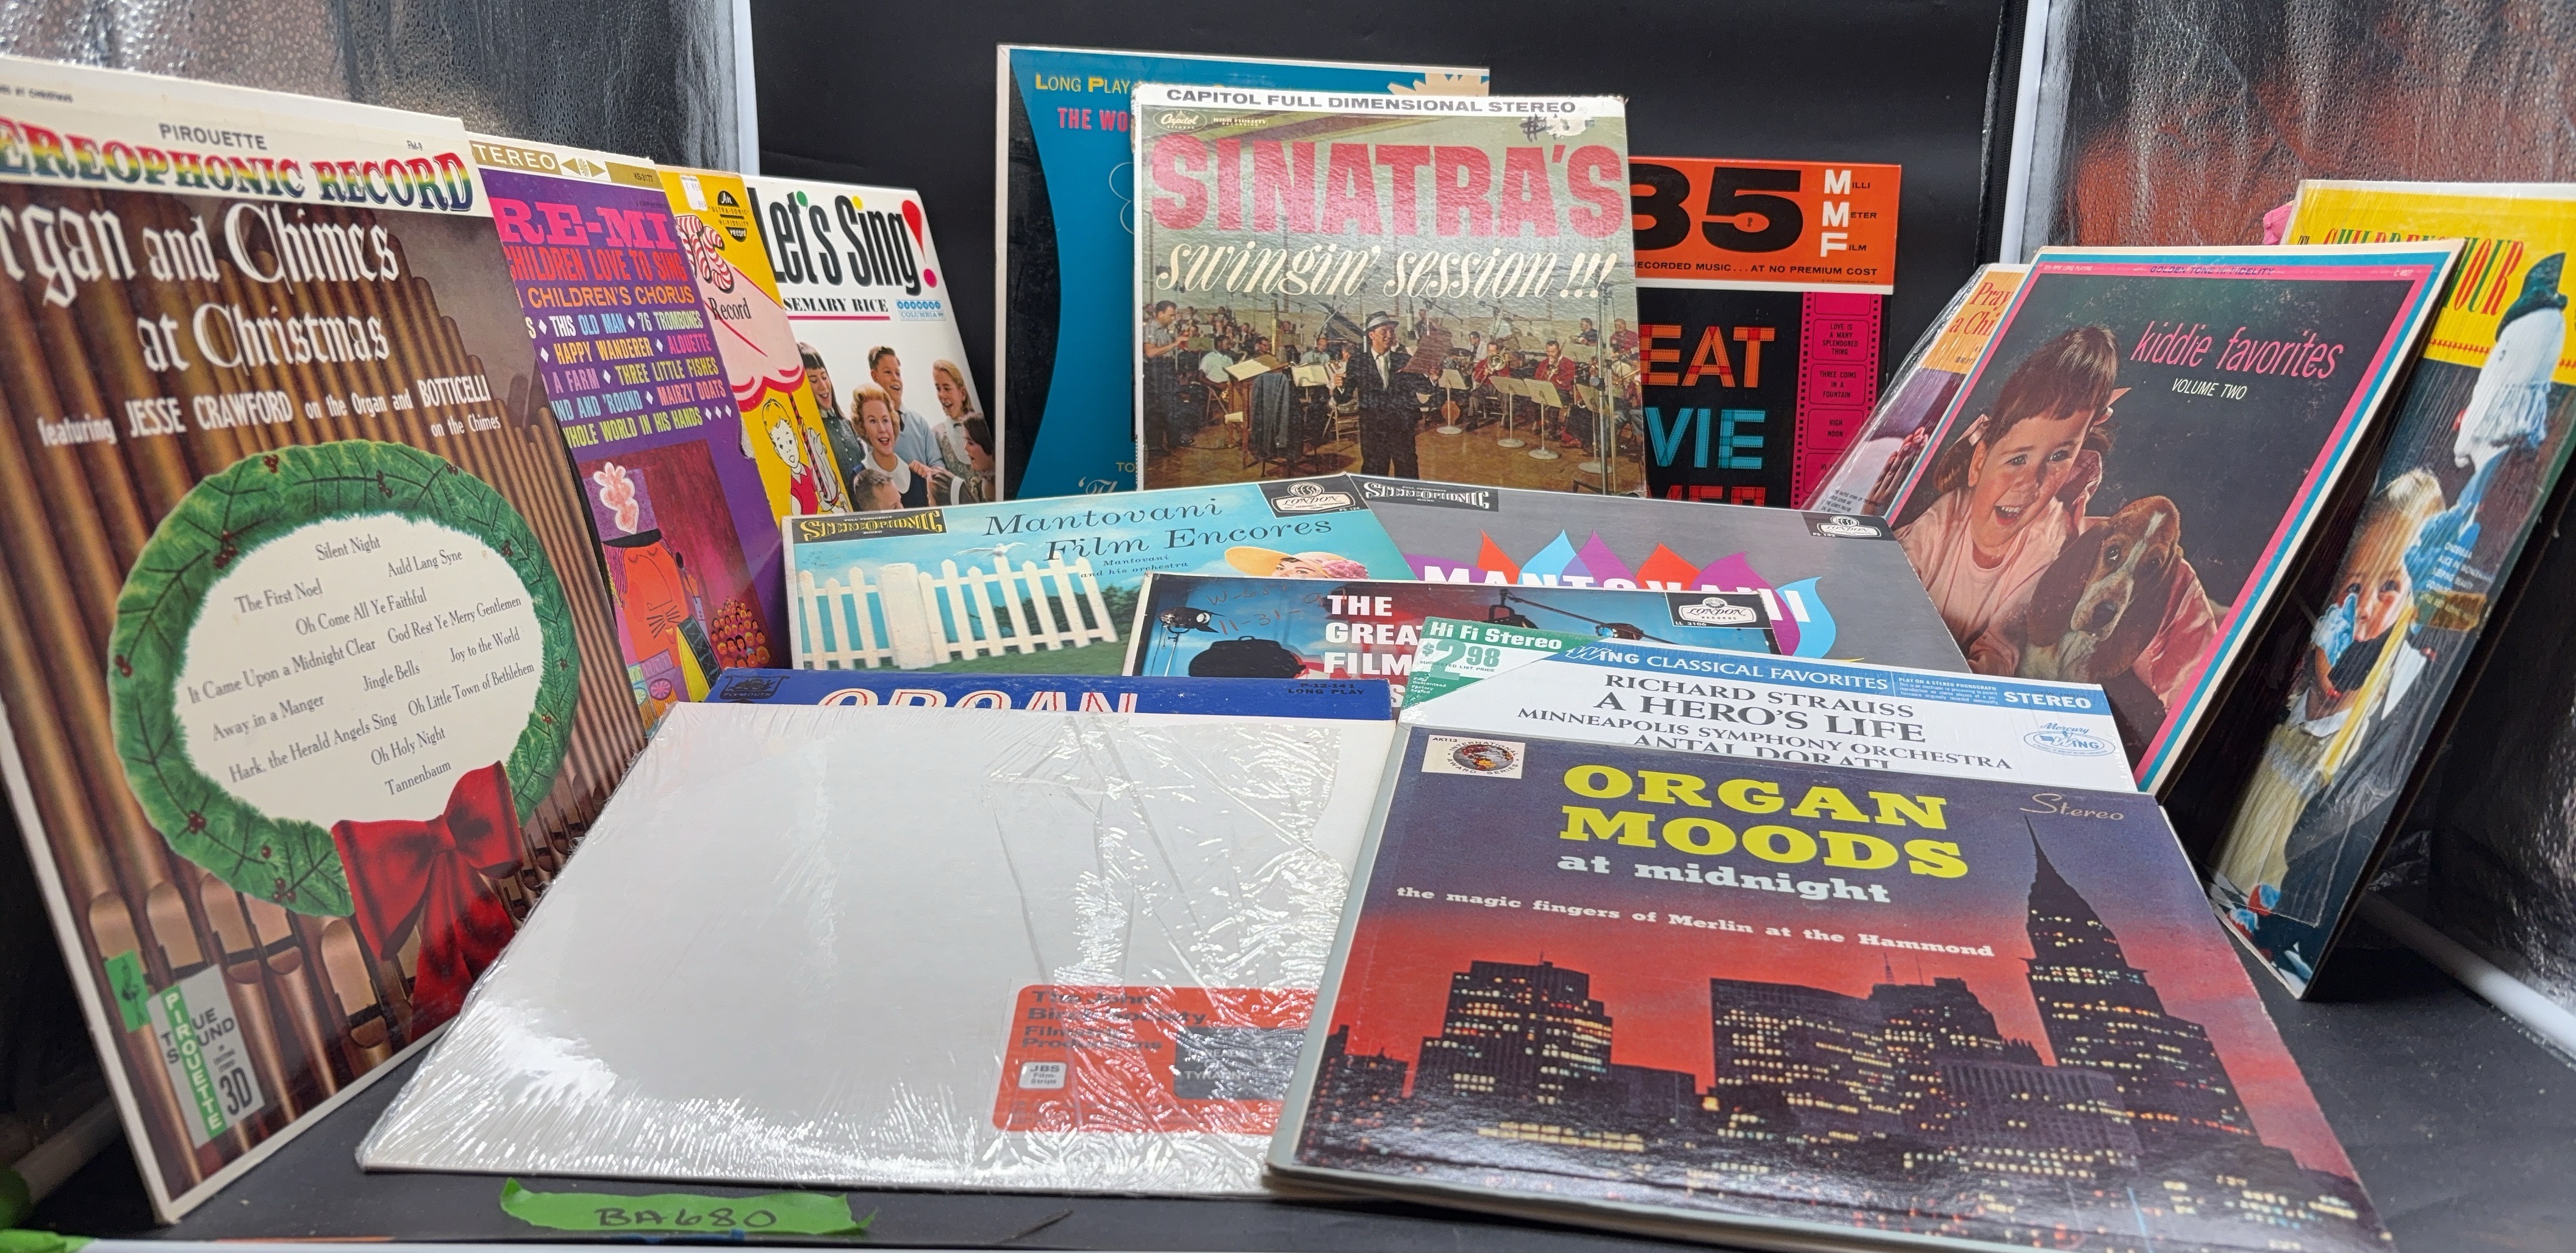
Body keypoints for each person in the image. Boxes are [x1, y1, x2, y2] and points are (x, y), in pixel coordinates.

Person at [1897, 325, 2217, 706]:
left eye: (2059, 457)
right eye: (2017, 459)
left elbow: (2000, 651)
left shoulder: (2048, 545)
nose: (2031, 483)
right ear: (1979, 461)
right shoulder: (1944, 518)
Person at [2216, 470, 2446, 912]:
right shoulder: (2295, 672)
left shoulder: (2380, 716)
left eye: (2390, 587)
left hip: (2267, 902)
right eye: (2354, 586)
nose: (2365, 607)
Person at [1339, 311, 1428, 478]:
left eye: (1391, 331)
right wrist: (1338, 387)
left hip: (1402, 426)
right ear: (1372, 335)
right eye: (1384, 331)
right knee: (1375, 470)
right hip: (1373, 428)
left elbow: (1425, 387)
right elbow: (1344, 397)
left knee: (1407, 469)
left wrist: (1434, 378)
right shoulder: (1357, 361)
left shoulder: (1404, 359)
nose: (1389, 335)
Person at [867, 346, 946, 480]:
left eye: (898, 373)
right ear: (875, 376)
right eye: (888, 372)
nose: (895, 378)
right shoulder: (872, 430)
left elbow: (938, 464)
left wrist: (930, 473)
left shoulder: (919, 423)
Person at [848, 382, 926, 509]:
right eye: (873, 421)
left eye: (885, 420)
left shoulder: (917, 476)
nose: (882, 429)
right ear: (863, 428)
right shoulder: (859, 479)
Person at [1142, 300, 1184, 453]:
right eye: (1170, 315)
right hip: (1155, 372)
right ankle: (1155, 447)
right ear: (1160, 314)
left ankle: (1174, 440)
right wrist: (1174, 344)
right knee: (1156, 409)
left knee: (1171, 405)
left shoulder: (1165, 329)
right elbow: (1150, 353)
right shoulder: (1151, 328)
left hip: (1166, 370)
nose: (1173, 318)